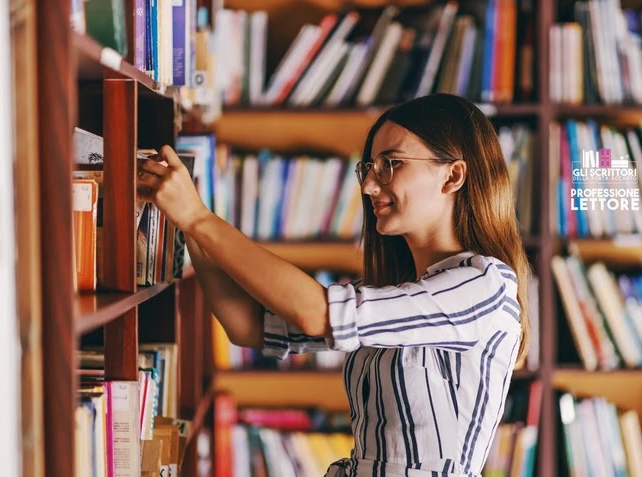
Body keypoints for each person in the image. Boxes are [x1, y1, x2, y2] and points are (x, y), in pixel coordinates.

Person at [137, 93, 531, 477]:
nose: (369, 187)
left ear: (453, 175)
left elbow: (315, 314)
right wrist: (187, 220)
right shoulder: (400, 293)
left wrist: (199, 219)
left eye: (391, 163)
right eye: (369, 168)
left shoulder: (484, 285)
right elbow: (249, 325)